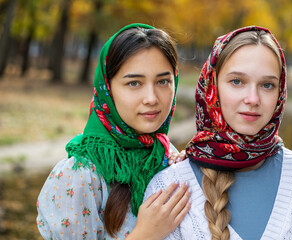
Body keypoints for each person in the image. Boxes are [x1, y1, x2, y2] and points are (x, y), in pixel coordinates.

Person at [144, 26, 292, 239]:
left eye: (267, 85)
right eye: (237, 81)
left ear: (280, 92)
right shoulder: (168, 188)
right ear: (212, 87)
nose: (253, 99)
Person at [36, 23, 190, 240]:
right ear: (107, 88)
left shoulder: (169, 157)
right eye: (134, 83)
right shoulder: (80, 175)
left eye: (163, 81)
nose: (152, 98)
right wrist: (144, 235)